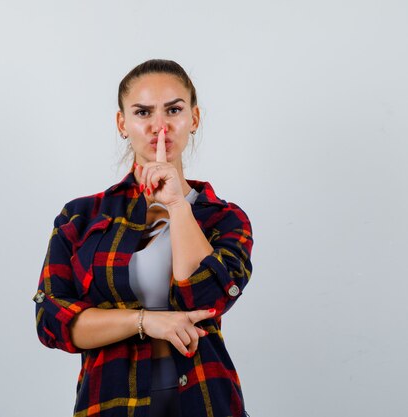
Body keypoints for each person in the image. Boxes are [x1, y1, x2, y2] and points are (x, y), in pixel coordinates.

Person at [33, 59, 253, 417]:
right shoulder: (81, 217)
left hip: (205, 401)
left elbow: (207, 297)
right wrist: (146, 321)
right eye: (143, 112)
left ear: (194, 119)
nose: (159, 126)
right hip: (109, 403)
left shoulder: (225, 219)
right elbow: (52, 320)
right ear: (123, 123)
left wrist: (177, 205)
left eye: (174, 110)